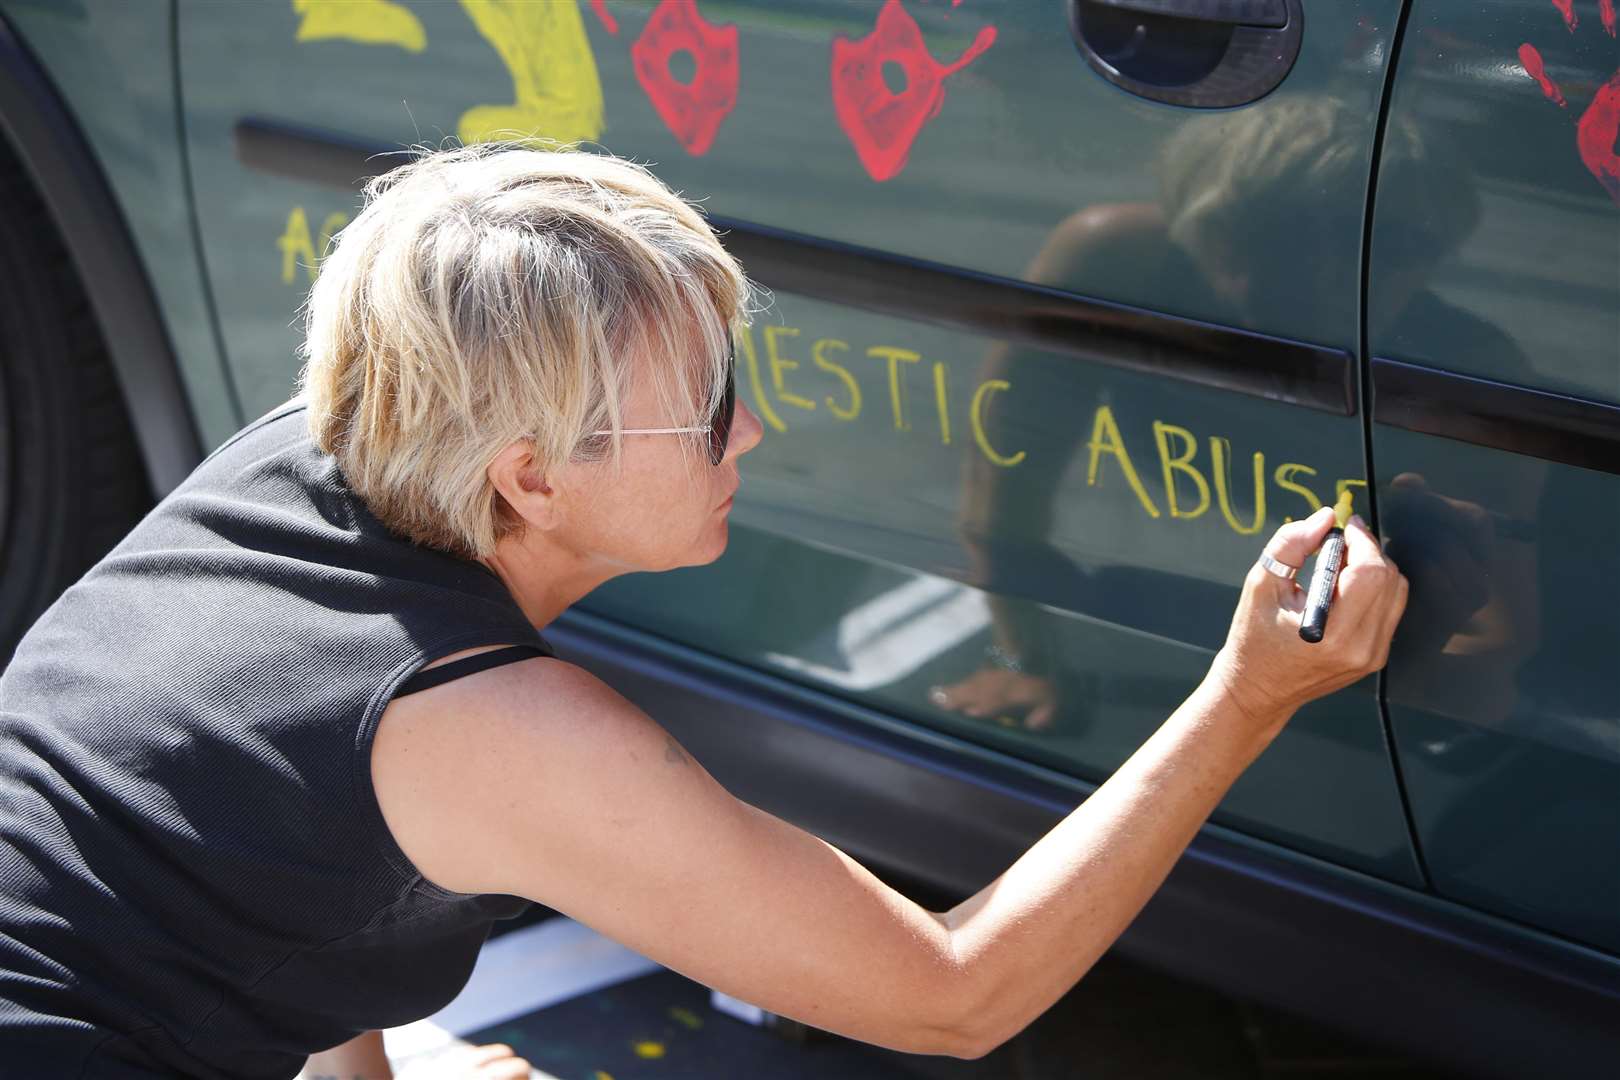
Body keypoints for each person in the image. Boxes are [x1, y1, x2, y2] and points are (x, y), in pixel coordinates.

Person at [0, 144, 1407, 1079]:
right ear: (532, 477)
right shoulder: (488, 723)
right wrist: (1244, 700)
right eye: (707, 411)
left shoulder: (327, 447)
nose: (752, 436)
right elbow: (956, 992)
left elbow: (263, 864)